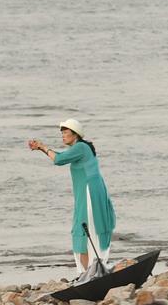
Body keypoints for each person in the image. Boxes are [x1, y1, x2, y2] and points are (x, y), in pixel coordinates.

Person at [28, 119, 116, 280]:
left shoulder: (81, 147)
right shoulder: (79, 149)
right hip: (88, 192)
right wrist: (41, 148)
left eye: (65, 132)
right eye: (61, 132)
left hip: (89, 193)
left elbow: (58, 159)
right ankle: (90, 271)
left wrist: (42, 146)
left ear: (75, 134)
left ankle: (91, 272)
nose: (62, 135)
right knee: (84, 229)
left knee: (84, 229)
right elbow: (60, 157)